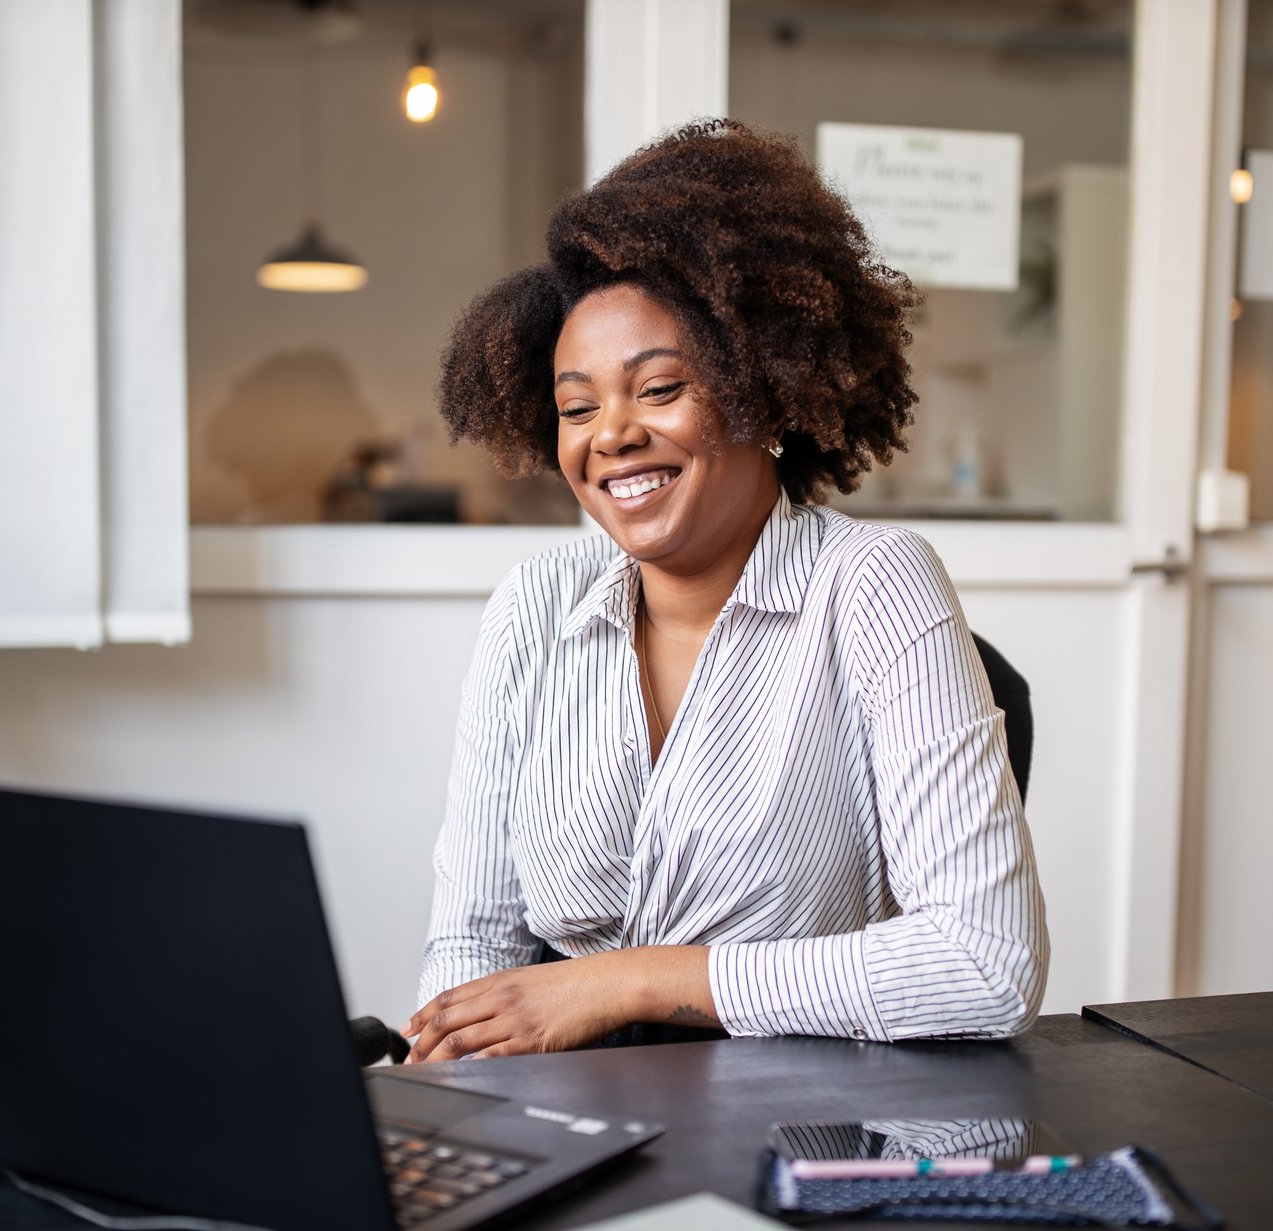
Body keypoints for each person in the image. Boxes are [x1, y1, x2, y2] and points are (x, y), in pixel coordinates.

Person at [403, 120, 1046, 1062]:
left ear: (765, 394)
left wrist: (626, 979)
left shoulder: (873, 586)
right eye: (577, 408)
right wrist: (452, 1078)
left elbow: (985, 966)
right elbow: (473, 940)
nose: (609, 435)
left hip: (795, 1121)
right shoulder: (534, 607)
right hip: (562, 1116)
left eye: (658, 389)